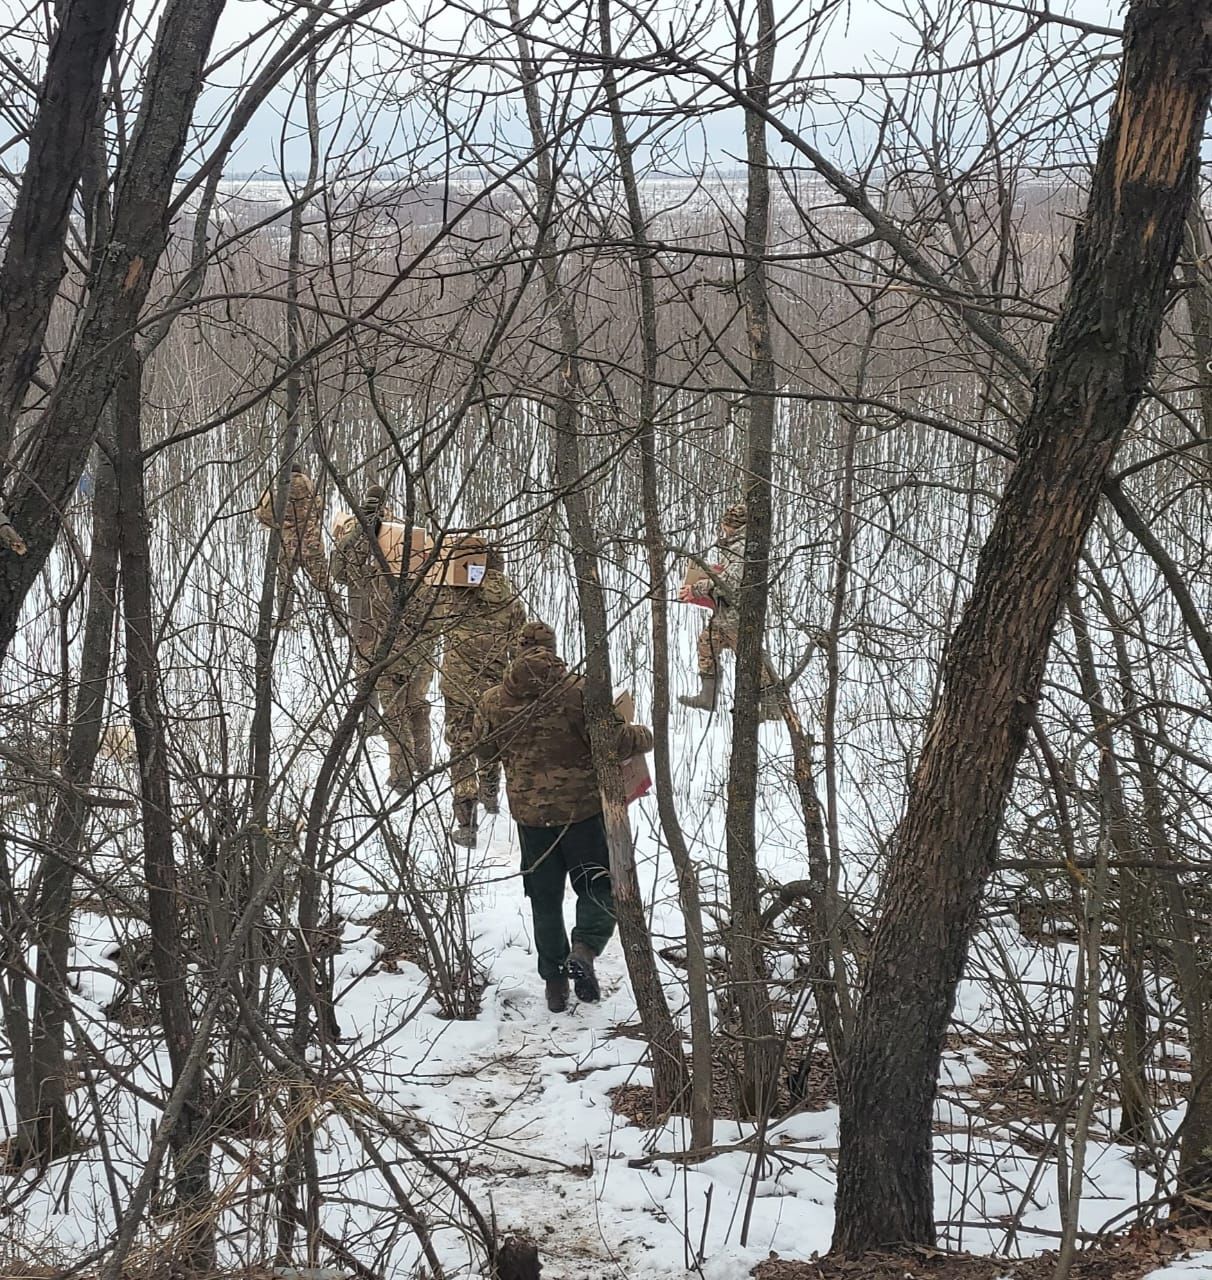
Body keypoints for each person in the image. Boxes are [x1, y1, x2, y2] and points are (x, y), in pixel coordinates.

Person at [475, 624, 653, 1013]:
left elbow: (483, 750)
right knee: (597, 888)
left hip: (530, 819)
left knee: (544, 899)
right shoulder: (580, 690)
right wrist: (644, 736)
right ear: (554, 649)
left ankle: (555, 982)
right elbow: (615, 741)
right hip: (583, 813)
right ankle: (585, 950)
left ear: (516, 649)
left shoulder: (492, 700)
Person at [329, 485, 439, 792]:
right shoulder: (409, 539)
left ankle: (401, 776)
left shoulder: (372, 569)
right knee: (417, 703)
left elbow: (338, 571)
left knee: (394, 711)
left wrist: (359, 533)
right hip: (420, 644)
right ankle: (423, 762)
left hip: (383, 642)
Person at [433, 535, 527, 847]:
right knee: (490, 740)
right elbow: (519, 648)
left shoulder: (452, 597)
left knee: (461, 747)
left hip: (458, 688)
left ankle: (466, 822)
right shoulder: (511, 603)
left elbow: (426, 620)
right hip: (495, 689)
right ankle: (490, 793)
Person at [678, 499, 779, 719]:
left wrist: (698, 587)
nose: (723, 529)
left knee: (752, 658)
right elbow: (725, 574)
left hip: (738, 615)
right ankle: (708, 697)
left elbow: (730, 582)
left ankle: (772, 707)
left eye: (726, 525)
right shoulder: (733, 545)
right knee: (706, 643)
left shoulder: (743, 547)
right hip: (724, 613)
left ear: (734, 526)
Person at [254, 464, 333, 622]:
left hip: (288, 545)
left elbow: (265, 517)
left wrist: (262, 502)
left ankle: (284, 619)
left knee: (284, 582)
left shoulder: (279, 495)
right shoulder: (314, 492)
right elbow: (319, 512)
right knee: (324, 583)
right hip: (312, 544)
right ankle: (338, 619)